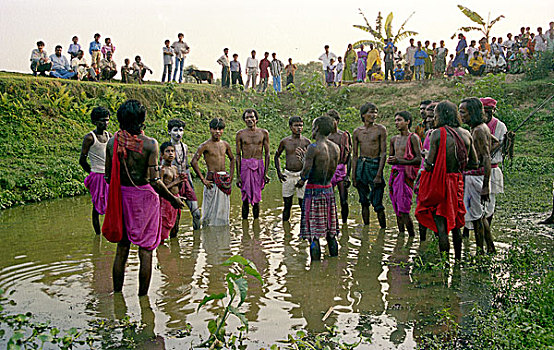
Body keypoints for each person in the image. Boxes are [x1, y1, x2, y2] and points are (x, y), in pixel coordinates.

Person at [104, 99, 184, 296]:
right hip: (144, 200)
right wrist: (174, 200)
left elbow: (107, 176)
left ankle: (117, 295)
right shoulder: (150, 144)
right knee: (146, 250)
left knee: (122, 249)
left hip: (121, 198)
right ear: (142, 121)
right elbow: (155, 181)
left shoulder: (113, 142)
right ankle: (143, 299)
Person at [415, 101, 477, 260]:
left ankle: (444, 263)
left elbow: (429, 166)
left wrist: (426, 156)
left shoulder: (437, 134)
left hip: (439, 182)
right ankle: (457, 260)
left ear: (440, 115)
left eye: (435, 114)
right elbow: (474, 163)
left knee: (442, 226)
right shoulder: (466, 133)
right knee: (456, 224)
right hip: (457, 181)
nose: (433, 118)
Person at [296, 116, 340, 261]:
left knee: (314, 235)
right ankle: (334, 265)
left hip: (314, 192)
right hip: (328, 190)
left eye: (313, 126)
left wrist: (301, 177)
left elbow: (306, 173)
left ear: (317, 129)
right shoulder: (336, 148)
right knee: (331, 233)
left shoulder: (313, 148)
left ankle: (315, 274)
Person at [459, 97, 496, 254]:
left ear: (472, 113)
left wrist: (486, 185)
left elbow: (487, 156)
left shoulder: (479, 130)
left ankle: (481, 250)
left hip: (476, 178)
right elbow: (495, 142)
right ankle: (490, 248)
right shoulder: (479, 128)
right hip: (475, 176)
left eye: (463, 112)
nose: (460, 115)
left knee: (476, 217)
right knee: (479, 215)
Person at [191, 118, 235, 227]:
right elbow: (193, 162)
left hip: (224, 180)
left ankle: (222, 240)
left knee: (223, 213)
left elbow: (232, 159)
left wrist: (232, 177)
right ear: (210, 129)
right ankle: (207, 237)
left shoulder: (225, 144)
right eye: (215, 129)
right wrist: (203, 180)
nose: (217, 131)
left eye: (220, 129)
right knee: (208, 212)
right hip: (211, 180)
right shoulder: (205, 145)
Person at [352, 102, 387, 227]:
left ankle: (383, 229)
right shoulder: (357, 132)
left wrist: (379, 174)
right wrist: (354, 175)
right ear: (363, 115)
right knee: (363, 202)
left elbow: (383, 153)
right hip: (362, 165)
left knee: (378, 203)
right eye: (371, 112)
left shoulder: (380, 130)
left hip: (374, 164)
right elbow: (355, 155)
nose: (374, 115)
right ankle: (366, 229)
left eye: (375, 112)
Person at [387, 111, 422, 236]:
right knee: (396, 207)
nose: (397, 123)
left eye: (399, 120)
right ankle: (401, 235)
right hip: (395, 173)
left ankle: (411, 235)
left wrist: (400, 161)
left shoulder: (413, 137)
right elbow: (392, 157)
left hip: (406, 175)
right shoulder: (393, 139)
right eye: (395, 120)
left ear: (408, 122)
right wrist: (391, 160)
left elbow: (419, 159)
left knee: (404, 209)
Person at [80, 107, 111, 235]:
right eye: (102, 121)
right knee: (96, 208)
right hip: (97, 175)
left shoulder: (110, 136)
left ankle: (110, 232)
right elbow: (82, 160)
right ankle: (97, 236)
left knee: (112, 205)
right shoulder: (90, 138)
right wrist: (92, 173)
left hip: (109, 175)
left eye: (107, 120)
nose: (105, 123)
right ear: (94, 122)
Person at [166, 119, 201, 232]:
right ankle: (173, 243)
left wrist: (190, 185)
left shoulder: (184, 147)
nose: (178, 133)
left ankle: (197, 242)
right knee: (174, 219)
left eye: (181, 130)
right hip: (173, 184)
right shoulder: (167, 149)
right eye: (175, 130)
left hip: (185, 181)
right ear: (169, 132)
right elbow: (163, 169)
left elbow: (186, 167)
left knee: (196, 213)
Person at [236, 109, 270, 220]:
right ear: (244, 120)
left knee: (257, 198)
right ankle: (244, 226)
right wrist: (238, 176)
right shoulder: (240, 134)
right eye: (247, 118)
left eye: (251, 117)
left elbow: (267, 154)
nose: (249, 119)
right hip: (245, 166)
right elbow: (238, 155)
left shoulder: (263, 133)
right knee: (245, 198)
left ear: (256, 119)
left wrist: (266, 173)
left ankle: (256, 227)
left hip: (259, 165)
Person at [274, 116, 311, 221]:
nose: (299, 128)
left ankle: (305, 230)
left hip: (301, 175)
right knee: (287, 205)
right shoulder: (285, 142)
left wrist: (304, 178)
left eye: (301, 125)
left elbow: (309, 162)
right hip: (288, 175)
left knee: (303, 205)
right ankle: (286, 232)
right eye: (296, 125)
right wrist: (279, 172)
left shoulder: (306, 142)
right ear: (290, 127)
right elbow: (276, 156)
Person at [481, 97, 506, 229]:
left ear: (494, 110)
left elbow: (499, 145)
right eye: (483, 111)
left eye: (489, 111)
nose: (486, 114)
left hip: (492, 168)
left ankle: (487, 229)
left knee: (489, 203)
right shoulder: (477, 125)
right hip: (478, 169)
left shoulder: (500, 126)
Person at [327, 109, 352, 224]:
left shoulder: (344, 136)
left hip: (342, 169)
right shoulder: (325, 137)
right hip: (328, 169)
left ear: (337, 121)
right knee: (329, 200)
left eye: (332, 121)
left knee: (344, 201)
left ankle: (345, 223)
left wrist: (348, 175)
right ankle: (331, 223)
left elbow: (349, 156)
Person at [159, 142, 184, 242]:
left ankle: (174, 252)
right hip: (166, 200)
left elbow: (178, 185)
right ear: (162, 155)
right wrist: (175, 182)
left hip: (176, 198)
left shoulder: (175, 168)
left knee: (175, 227)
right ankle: (162, 252)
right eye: (167, 151)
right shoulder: (162, 170)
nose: (170, 154)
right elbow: (160, 188)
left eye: (172, 151)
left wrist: (181, 181)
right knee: (164, 227)